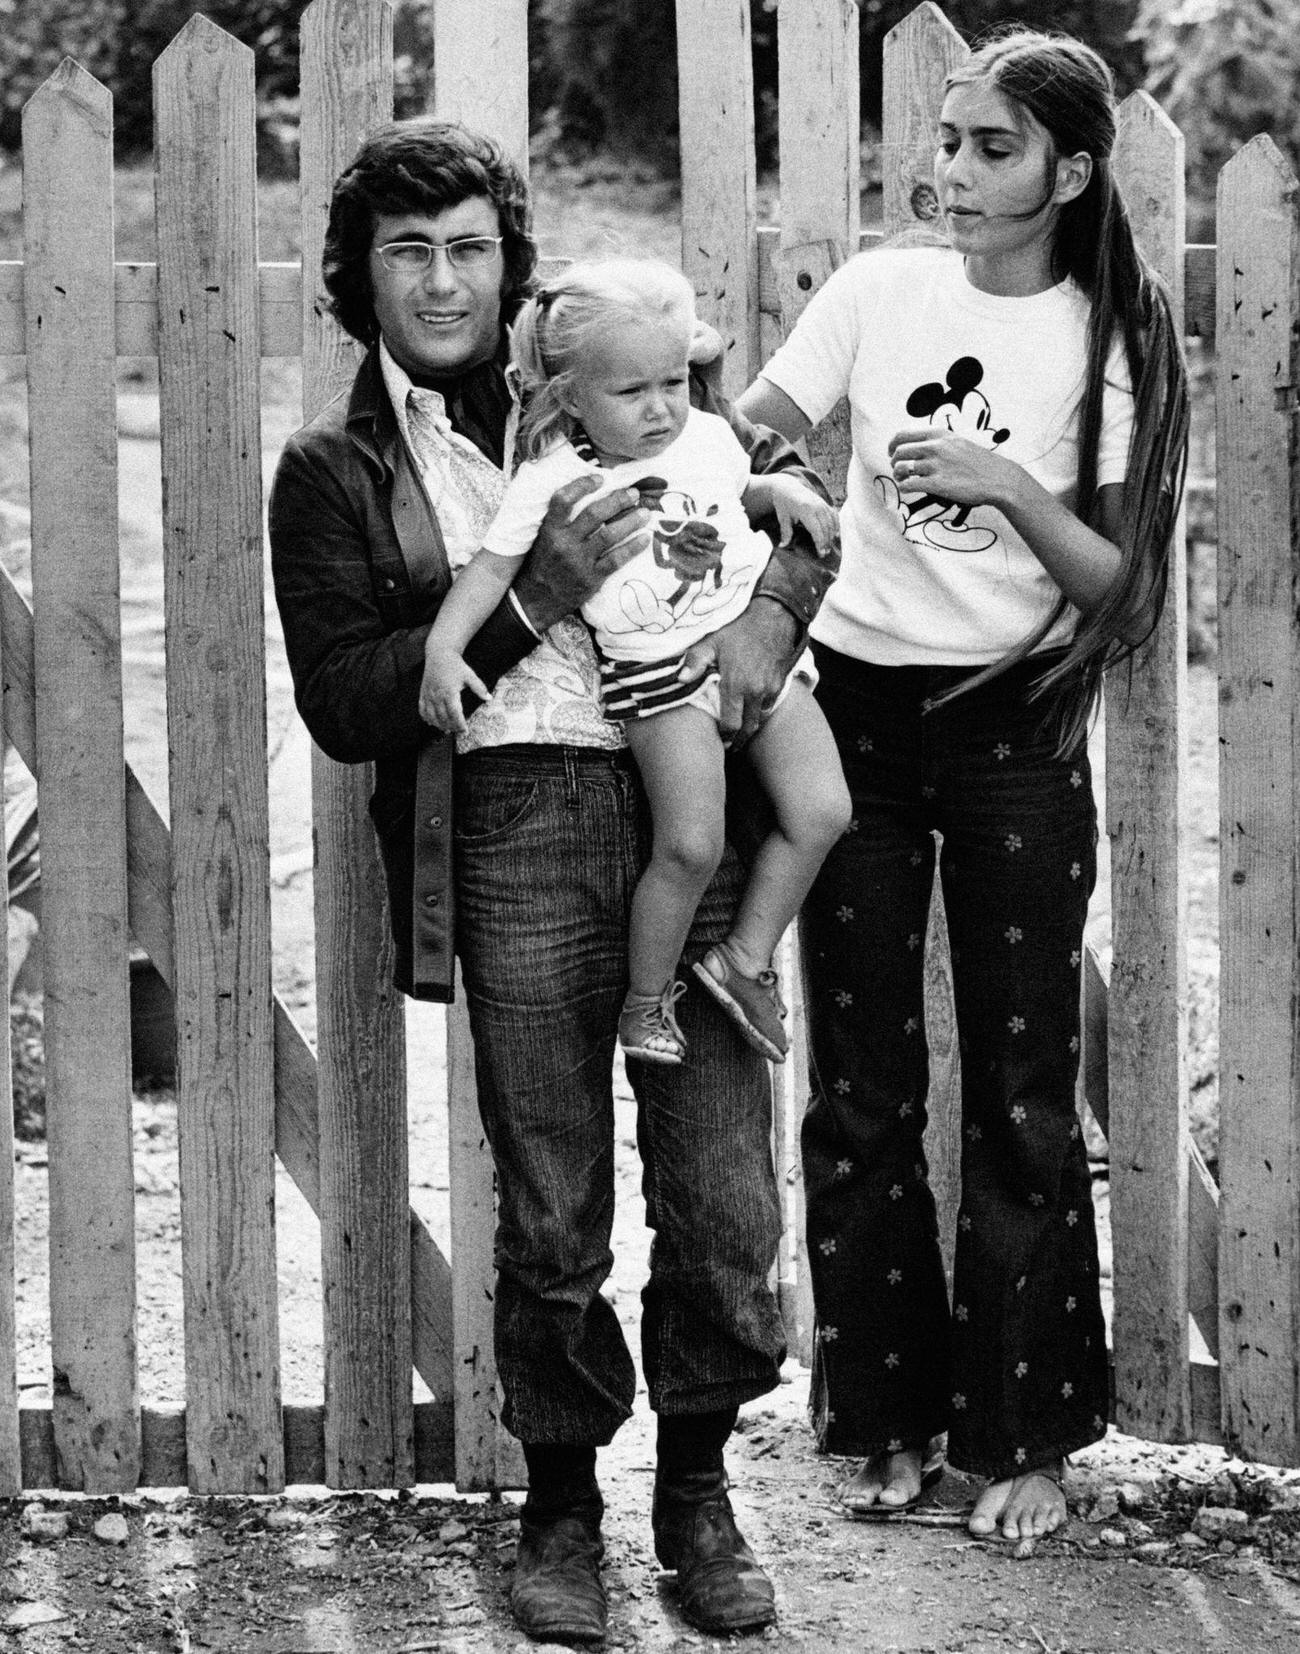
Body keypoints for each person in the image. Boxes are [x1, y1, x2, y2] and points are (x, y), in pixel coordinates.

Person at [268, 119, 837, 1642]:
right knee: (554, 1198)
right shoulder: (339, 469)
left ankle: (702, 1489)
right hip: (514, 827)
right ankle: (567, 1503)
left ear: (508, 268)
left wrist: (766, 627)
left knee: (722, 1186)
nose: (441, 279)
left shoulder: (628, 378)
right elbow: (348, 695)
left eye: (467, 246)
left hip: (689, 806)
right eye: (407, 252)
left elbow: (788, 514)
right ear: (359, 280)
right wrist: (536, 604)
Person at [737, 30, 1188, 1544]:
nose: (950, 173)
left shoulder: (1111, 334)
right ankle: (877, 1418)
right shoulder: (876, 292)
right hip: (852, 712)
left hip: (1015, 731)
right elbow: (749, 440)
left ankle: (1025, 1435)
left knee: (1020, 1090)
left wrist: (1005, 488)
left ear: (1068, 171)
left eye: (991, 148)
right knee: (861, 1083)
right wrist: (768, 510)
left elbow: (1122, 589)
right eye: (943, 141)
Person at [420, 257, 850, 1067]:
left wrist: (779, 493)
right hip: (663, 687)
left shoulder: (710, 434)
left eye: (675, 382)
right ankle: (646, 1003)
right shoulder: (554, 480)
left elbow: (739, 491)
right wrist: (446, 648)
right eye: (632, 392)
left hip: (757, 660)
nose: (661, 409)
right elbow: (489, 571)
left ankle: (744, 959)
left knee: (824, 811)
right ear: (569, 393)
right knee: (690, 846)